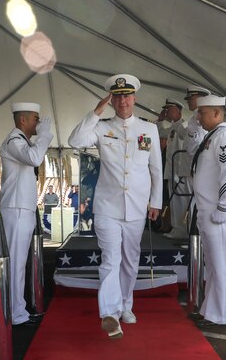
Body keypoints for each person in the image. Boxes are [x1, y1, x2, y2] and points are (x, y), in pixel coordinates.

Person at [68, 73, 163, 339]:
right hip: (107, 206)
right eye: (118, 96)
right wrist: (96, 112)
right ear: (112, 100)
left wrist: (156, 201)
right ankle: (109, 313)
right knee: (111, 259)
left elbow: (156, 168)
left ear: (135, 98)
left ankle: (125, 305)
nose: (123, 101)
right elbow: (75, 141)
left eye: (127, 95)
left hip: (136, 207)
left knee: (130, 261)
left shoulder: (149, 129)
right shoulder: (101, 127)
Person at [0, 102, 52, 325]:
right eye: (35, 118)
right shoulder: (14, 141)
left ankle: (18, 308)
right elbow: (34, 158)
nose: (38, 123)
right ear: (23, 120)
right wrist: (45, 135)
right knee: (16, 262)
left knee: (20, 261)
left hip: (23, 208)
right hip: (16, 208)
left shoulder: (24, 141)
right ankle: (14, 312)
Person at [191, 95, 226, 327]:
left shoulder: (223, 136)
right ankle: (210, 310)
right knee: (212, 263)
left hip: (218, 209)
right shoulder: (212, 136)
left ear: (217, 114)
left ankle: (220, 314)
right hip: (207, 207)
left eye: (202, 113)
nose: (198, 117)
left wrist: (223, 205)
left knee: (220, 263)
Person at [159, 98, 189, 240]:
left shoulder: (184, 126)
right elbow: (160, 133)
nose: (167, 112)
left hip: (180, 172)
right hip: (170, 171)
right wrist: (160, 120)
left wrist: (178, 174)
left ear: (178, 110)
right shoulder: (172, 127)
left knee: (181, 202)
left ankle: (183, 230)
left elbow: (183, 151)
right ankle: (176, 228)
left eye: (169, 109)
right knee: (174, 202)